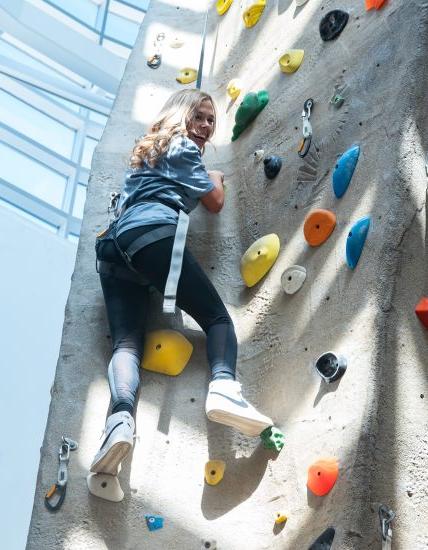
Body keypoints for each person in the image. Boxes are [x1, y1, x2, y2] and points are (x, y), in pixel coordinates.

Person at [91, 89, 273, 476]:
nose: (206, 127)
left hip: (113, 245)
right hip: (153, 231)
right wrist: (216, 176)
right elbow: (215, 201)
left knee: (126, 343)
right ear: (182, 115)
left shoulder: (146, 154)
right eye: (201, 117)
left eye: (211, 121)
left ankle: (118, 424)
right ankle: (225, 388)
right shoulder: (182, 148)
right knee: (217, 320)